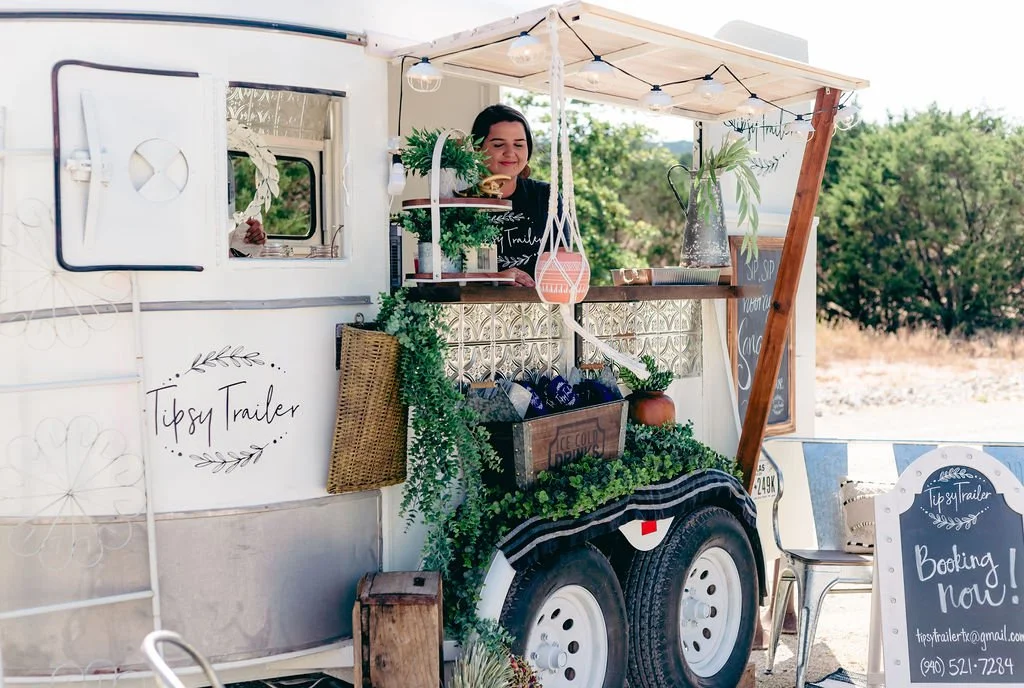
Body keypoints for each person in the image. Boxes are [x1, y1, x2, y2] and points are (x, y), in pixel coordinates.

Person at [471, 104, 563, 288]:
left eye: (519, 144)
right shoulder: (460, 202)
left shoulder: (546, 196)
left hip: (540, 303)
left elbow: (562, 259)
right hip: (479, 303)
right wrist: (496, 277)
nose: (510, 153)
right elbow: (447, 272)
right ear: (477, 149)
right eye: (498, 145)